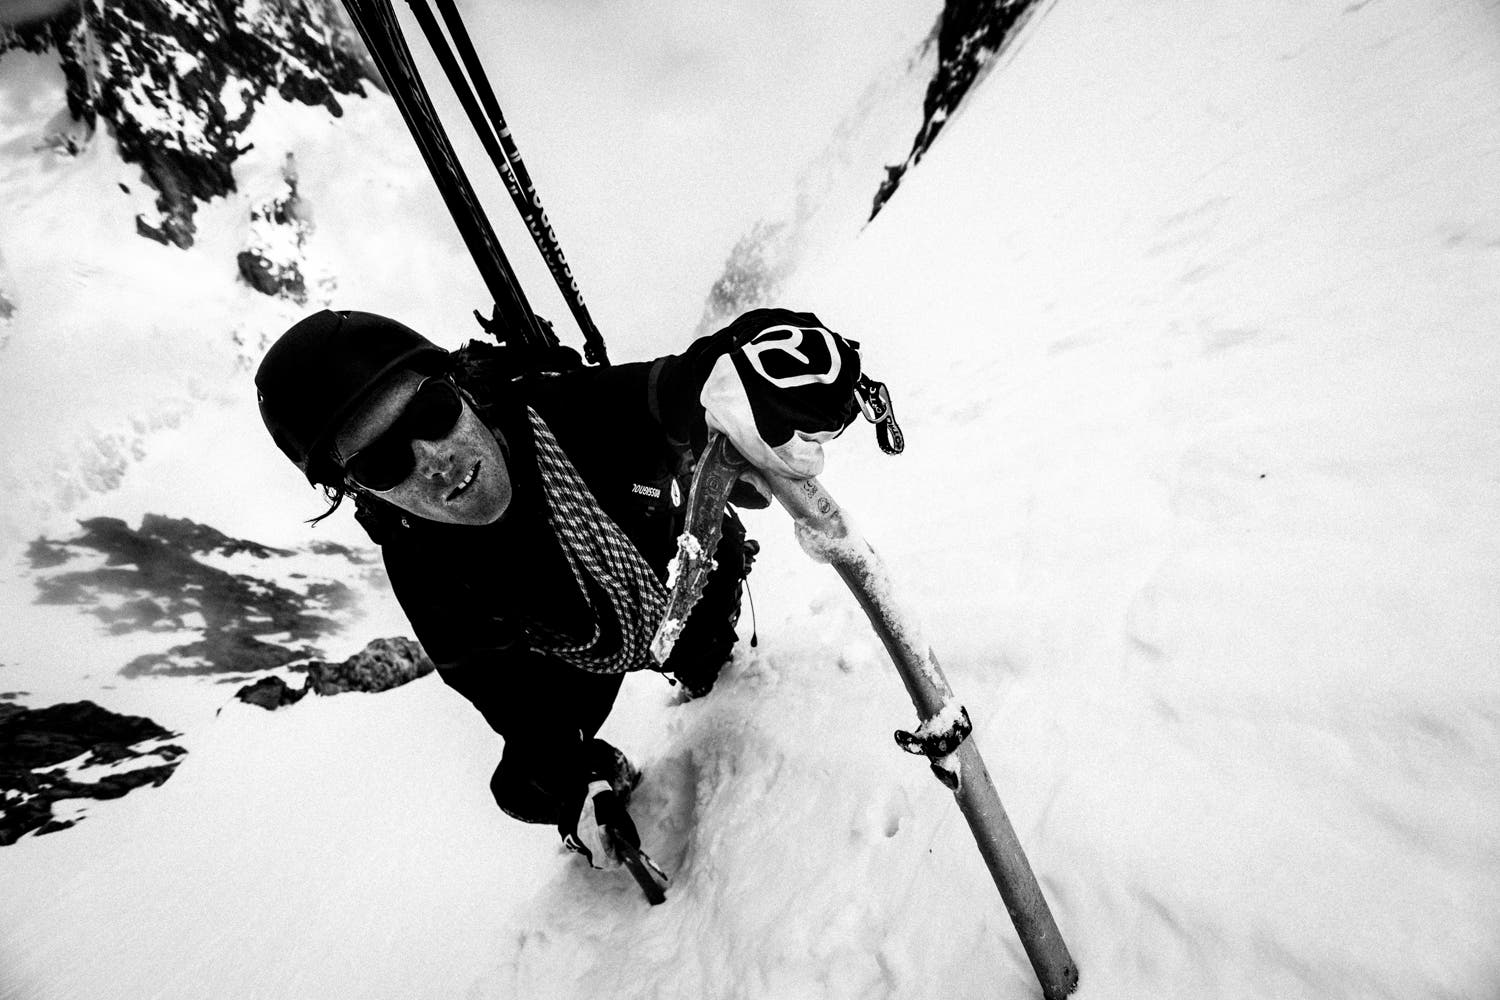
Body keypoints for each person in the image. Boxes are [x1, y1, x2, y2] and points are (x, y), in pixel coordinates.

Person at [254, 307, 866, 869]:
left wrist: (752, 364)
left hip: (684, 587)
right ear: (363, 492)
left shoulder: (559, 413)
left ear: (463, 391)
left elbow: (672, 390)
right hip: (578, 654)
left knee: (704, 657)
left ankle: (699, 667)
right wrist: (571, 778)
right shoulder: (425, 568)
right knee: (526, 786)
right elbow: (510, 697)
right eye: (382, 463)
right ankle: (602, 774)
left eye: (432, 414)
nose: (433, 459)